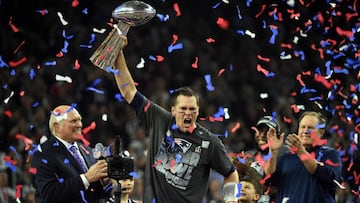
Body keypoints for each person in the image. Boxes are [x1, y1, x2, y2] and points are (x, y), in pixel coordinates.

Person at [112, 36, 239, 202]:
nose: (188, 113)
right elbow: (128, 92)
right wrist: (118, 53)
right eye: (183, 109)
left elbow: (230, 173)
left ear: (198, 111)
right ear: (173, 110)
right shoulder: (159, 119)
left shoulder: (210, 142)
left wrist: (230, 198)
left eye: (192, 109)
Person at [30, 105, 111, 203]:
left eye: (79, 120)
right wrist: (86, 178)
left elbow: (94, 194)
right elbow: (49, 192)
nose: (79, 125)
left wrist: (103, 183)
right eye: (73, 121)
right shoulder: (43, 153)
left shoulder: (87, 150)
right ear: (57, 127)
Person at [264, 111, 343, 203]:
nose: (305, 131)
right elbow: (268, 181)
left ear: (321, 132)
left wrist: (301, 151)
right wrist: (273, 152)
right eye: (303, 127)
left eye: (310, 128)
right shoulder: (286, 158)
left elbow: (327, 176)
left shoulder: (330, 154)